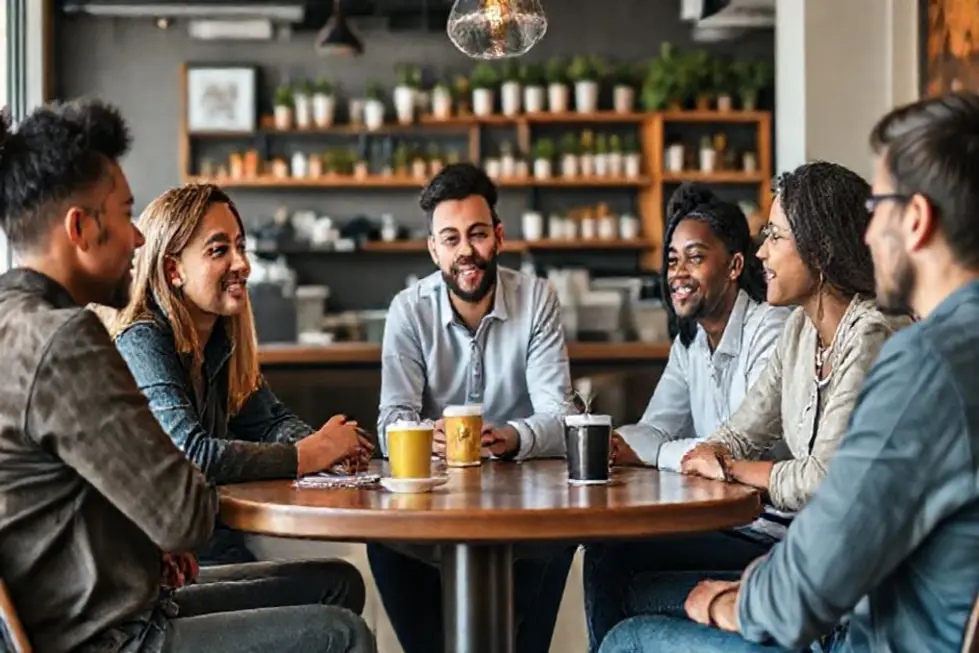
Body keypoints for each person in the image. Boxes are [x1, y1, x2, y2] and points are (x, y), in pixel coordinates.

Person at [598, 90, 979, 653]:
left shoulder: (923, 362)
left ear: (917, 220)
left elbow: (815, 579)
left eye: (878, 213)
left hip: (863, 640)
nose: (868, 235)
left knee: (628, 640)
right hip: (867, 615)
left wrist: (735, 601)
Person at [0, 98, 373, 653]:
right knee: (340, 634)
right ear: (80, 228)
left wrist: (147, 536)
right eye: (126, 214)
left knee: (336, 582)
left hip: (108, 604)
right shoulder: (67, 341)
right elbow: (187, 514)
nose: (138, 239)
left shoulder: (15, 321)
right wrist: (166, 518)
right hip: (107, 637)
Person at [586, 161, 907, 651]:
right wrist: (717, 451)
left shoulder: (871, 334)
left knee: (626, 635)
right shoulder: (801, 330)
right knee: (616, 571)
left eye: (774, 237)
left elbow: (823, 480)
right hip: (807, 572)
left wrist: (732, 467)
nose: (760, 253)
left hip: (835, 607)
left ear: (819, 249)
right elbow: (739, 431)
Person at [105, 183, 373, 569]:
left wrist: (331, 449)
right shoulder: (142, 338)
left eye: (241, 246)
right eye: (219, 250)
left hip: (213, 539)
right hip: (166, 567)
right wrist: (308, 454)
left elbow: (270, 421)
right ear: (172, 270)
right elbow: (190, 454)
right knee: (343, 580)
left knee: (343, 575)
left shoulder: (219, 340)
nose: (242, 264)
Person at [368, 162, 576, 653]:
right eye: (451, 238)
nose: (466, 251)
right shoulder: (408, 310)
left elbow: (561, 414)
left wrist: (514, 436)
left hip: (524, 506)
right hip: (431, 506)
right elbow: (390, 421)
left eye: (477, 234)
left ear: (498, 237)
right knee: (384, 542)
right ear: (433, 249)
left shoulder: (536, 298)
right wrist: (426, 434)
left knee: (562, 534)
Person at [609, 182, 789, 470]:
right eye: (672, 260)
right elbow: (656, 427)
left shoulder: (771, 327)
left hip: (772, 511)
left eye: (695, 258)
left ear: (734, 266)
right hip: (720, 505)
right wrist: (615, 443)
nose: (679, 273)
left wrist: (657, 454)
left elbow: (743, 451)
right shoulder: (690, 341)